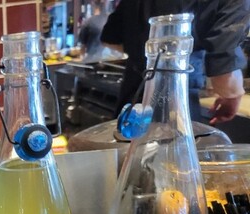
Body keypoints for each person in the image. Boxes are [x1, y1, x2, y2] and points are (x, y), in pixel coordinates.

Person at [100, 0, 250, 124]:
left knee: (125, 149)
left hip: (131, 96)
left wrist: (145, 56)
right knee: (173, 150)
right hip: (178, 100)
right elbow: (224, 73)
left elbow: (110, 38)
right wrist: (232, 95)